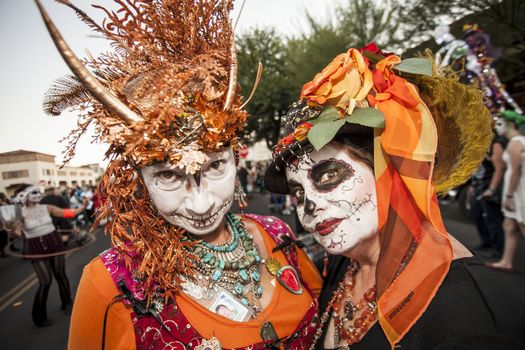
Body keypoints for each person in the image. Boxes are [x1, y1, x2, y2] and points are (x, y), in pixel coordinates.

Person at [35, 0, 321, 349]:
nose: (201, 205)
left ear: (235, 157)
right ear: (139, 179)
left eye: (216, 166)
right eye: (168, 176)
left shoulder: (278, 234)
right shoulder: (110, 284)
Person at [265, 45, 525, 349]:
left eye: (328, 175)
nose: (308, 205)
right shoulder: (344, 263)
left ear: (388, 170)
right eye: (297, 192)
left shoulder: (462, 315)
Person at [12, 184, 88, 327]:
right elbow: (17, 233)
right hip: (35, 247)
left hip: (54, 242)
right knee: (45, 281)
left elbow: (68, 213)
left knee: (60, 274)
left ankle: (67, 303)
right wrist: (10, 228)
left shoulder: (46, 207)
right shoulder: (19, 213)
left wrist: (82, 207)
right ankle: (39, 316)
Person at [487, 111, 525, 271]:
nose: (498, 127)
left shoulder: (516, 143)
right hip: (515, 189)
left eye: (501, 123)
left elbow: (516, 171)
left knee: (522, 225)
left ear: (510, 125)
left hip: (518, 191)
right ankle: (506, 261)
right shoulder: (515, 142)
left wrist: (509, 195)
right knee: (509, 224)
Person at [468, 117, 508, 255]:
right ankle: (487, 241)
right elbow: (478, 167)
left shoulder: (496, 143)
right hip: (480, 183)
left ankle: (498, 248)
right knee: (476, 213)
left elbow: (500, 168)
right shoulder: (482, 143)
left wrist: (491, 189)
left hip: (490, 185)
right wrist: (473, 185)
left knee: (492, 218)